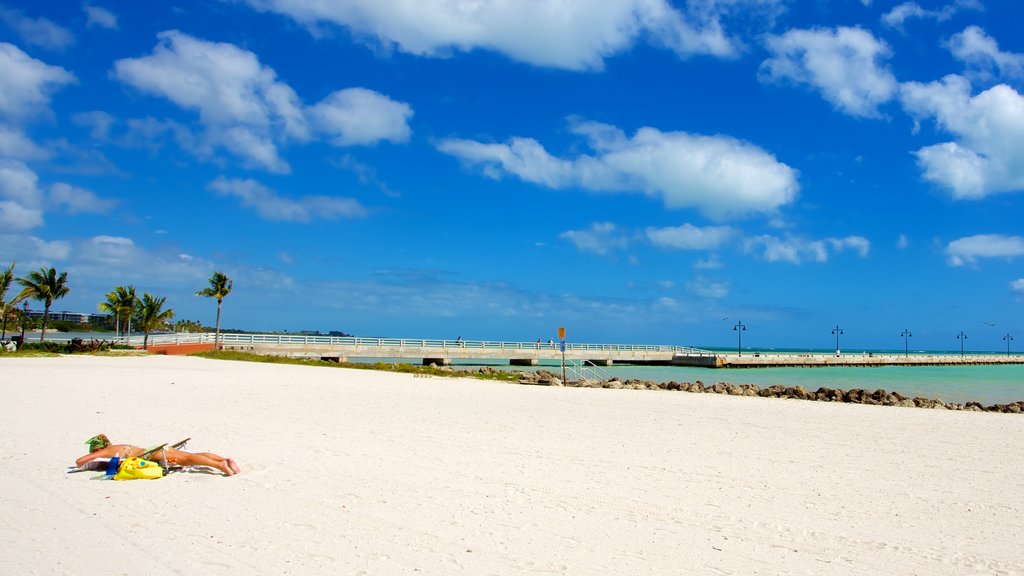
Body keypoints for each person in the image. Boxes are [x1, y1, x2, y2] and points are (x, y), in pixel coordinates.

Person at [75, 434, 241, 476]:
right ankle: (223, 459)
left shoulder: (107, 451)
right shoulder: (118, 447)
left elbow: (79, 461)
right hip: (154, 449)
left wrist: (93, 460)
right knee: (189, 455)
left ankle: (220, 466)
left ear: (98, 449)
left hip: (151, 454)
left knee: (186, 459)